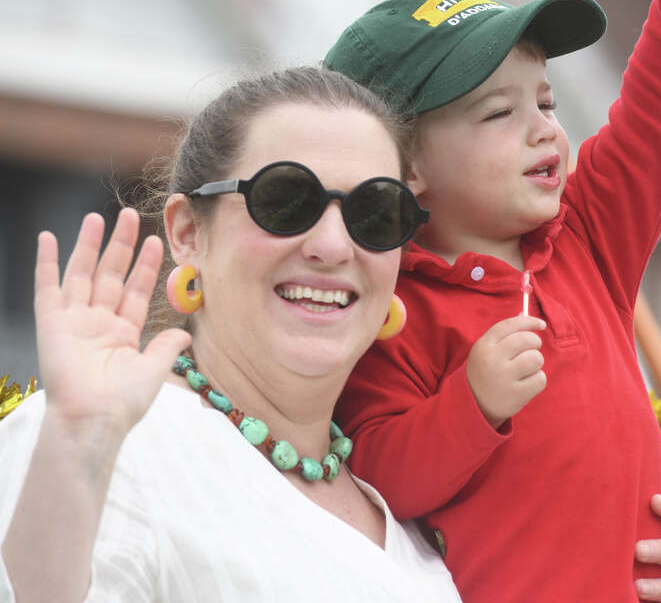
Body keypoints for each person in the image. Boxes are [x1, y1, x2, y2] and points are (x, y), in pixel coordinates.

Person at [323, 0, 661, 603]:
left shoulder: (589, 238)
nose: (545, 132)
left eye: (548, 101)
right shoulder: (390, 308)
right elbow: (374, 475)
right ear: (405, 168)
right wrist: (472, 403)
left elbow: (652, 123)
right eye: (500, 114)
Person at [0, 67, 463, 601]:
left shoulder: (409, 514)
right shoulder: (105, 440)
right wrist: (74, 452)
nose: (334, 246)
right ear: (188, 232)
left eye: (377, 213)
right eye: (286, 201)